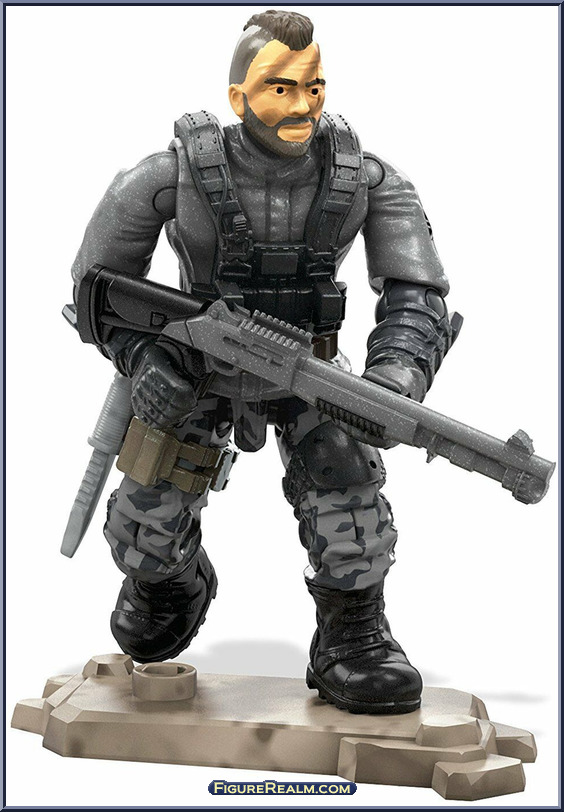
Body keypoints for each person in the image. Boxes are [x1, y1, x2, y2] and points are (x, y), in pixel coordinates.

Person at [71, 9, 457, 715]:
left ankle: (352, 635)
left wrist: (395, 376)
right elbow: (95, 288)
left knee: (350, 503)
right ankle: (170, 583)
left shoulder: (369, 180)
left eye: (314, 87)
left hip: (313, 374)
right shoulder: (167, 175)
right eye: (280, 88)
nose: (302, 105)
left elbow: (418, 292)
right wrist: (144, 358)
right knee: (140, 531)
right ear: (238, 97)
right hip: (193, 372)